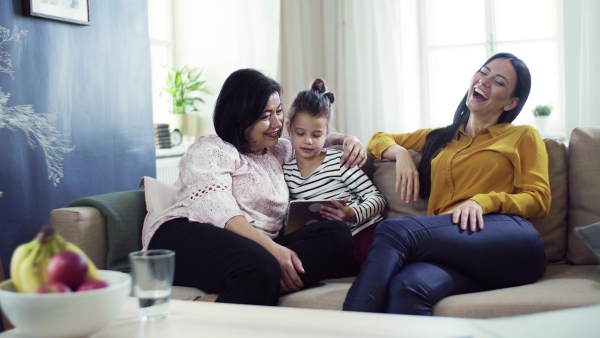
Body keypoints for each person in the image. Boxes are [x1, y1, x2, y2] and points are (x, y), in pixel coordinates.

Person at [343, 52, 551, 315]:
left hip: (510, 242)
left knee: (394, 231)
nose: (484, 81)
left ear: (511, 103)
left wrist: (482, 201)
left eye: (498, 82)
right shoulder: (440, 137)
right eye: (483, 72)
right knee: (407, 287)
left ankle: (349, 329)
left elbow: (539, 199)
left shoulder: (522, 136)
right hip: (454, 249)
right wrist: (403, 154)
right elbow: (378, 139)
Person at [144, 68, 367, 305]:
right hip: (187, 234)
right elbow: (221, 211)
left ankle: (246, 286)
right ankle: (260, 278)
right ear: (240, 118)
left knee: (338, 236)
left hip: (253, 248)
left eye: (279, 111)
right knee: (261, 266)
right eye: (265, 116)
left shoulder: (277, 150)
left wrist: (348, 139)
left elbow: (315, 136)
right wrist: (273, 250)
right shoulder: (212, 149)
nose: (277, 122)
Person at [283, 79, 386, 266]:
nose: (308, 141)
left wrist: (352, 213)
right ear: (289, 129)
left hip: (364, 231)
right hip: (328, 242)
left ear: (327, 134)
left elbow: (377, 199)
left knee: (378, 260)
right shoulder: (287, 172)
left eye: (316, 135)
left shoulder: (338, 161)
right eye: (300, 133)